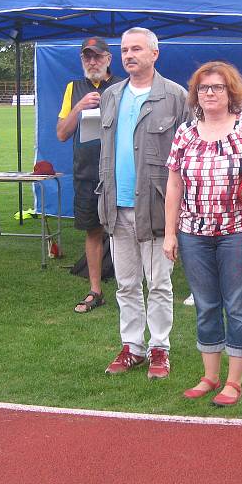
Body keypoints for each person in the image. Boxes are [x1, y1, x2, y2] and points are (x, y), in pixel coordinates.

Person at [163, 61, 242, 406]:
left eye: (217, 87)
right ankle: (209, 375)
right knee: (205, 304)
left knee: (237, 304)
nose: (210, 93)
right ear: (196, 95)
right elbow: (174, 183)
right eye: (204, 88)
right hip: (193, 232)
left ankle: (234, 381)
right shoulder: (185, 133)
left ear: (231, 92)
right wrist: (170, 233)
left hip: (236, 231)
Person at [99, 27, 189, 380]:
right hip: (116, 206)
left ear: (155, 54)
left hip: (155, 206)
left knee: (160, 284)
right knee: (126, 284)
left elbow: (185, 157)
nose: (129, 55)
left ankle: (159, 349)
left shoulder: (175, 97)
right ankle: (132, 346)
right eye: (124, 49)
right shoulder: (111, 96)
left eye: (136, 49)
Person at [56, 36, 123, 313]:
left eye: (97, 56)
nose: (92, 61)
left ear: (108, 59)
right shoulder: (74, 88)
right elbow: (61, 133)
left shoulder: (123, 86)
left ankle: (128, 289)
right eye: (87, 57)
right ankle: (95, 290)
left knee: (125, 231)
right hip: (86, 173)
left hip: (120, 172)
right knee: (93, 231)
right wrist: (79, 106)